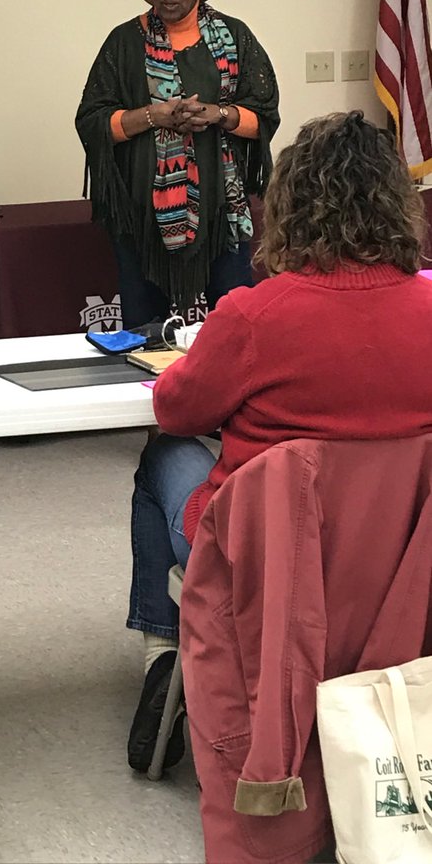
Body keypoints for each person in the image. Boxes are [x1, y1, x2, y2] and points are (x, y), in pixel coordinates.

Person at [125, 111, 432, 772]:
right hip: (401, 561)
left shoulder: (252, 314)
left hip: (268, 559)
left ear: (291, 205)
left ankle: (163, 654)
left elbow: (176, 409)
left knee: (162, 457)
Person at [75, 0, 280, 328]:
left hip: (222, 213)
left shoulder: (236, 37)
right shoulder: (123, 42)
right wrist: (154, 116)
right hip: (142, 216)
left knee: (233, 325)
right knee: (144, 333)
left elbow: (264, 117)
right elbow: (92, 121)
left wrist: (218, 114)